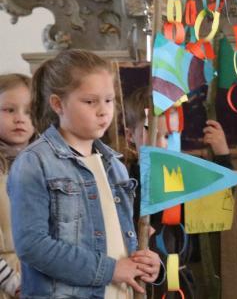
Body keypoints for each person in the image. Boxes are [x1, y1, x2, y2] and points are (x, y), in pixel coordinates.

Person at [8, 50, 160, 298]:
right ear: (58, 104)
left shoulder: (116, 165)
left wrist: (146, 263)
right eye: (90, 102)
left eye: (109, 100)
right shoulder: (34, 162)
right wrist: (110, 270)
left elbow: (119, 239)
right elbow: (32, 246)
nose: (103, 111)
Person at [123, 86, 233, 299]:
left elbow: (219, 205)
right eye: (153, 135)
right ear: (130, 136)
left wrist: (222, 154)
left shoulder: (188, 177)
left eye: (169, 136)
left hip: (184, 281)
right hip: (142, 281)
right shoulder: (126, 182)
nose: (162, 145)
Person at [0, 74, 36, 297]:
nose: (20, 119)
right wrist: (12, 282)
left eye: (29, 111)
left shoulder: (45, 166)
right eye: (9, 110)